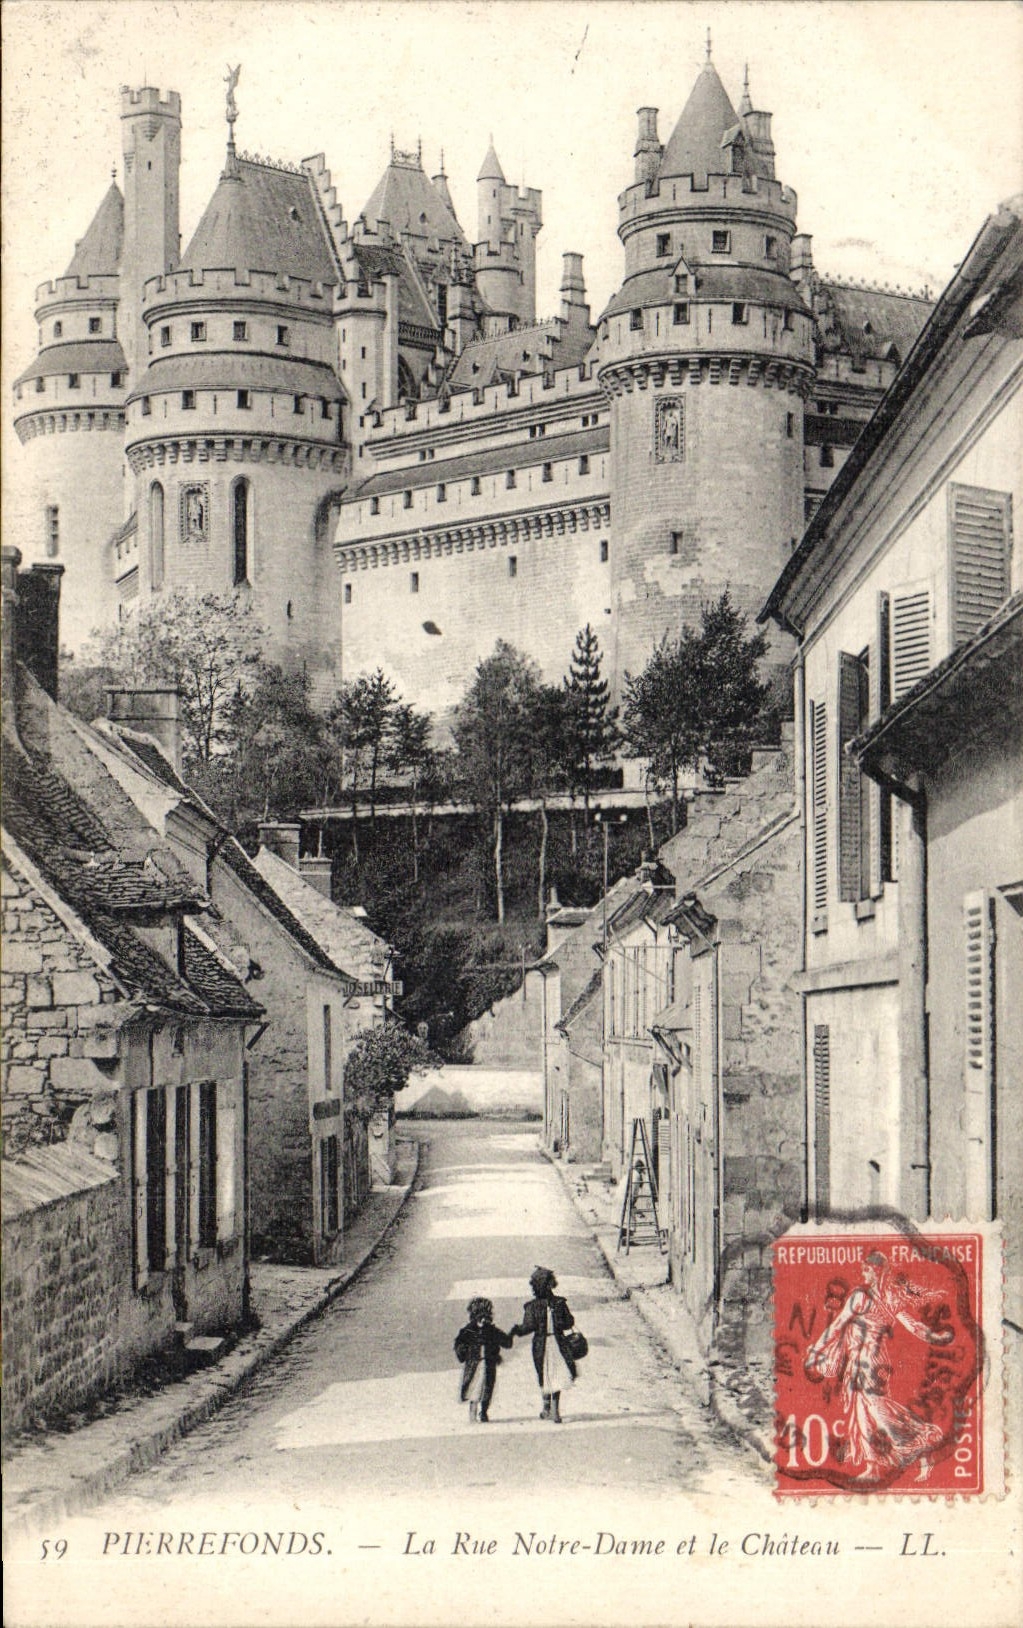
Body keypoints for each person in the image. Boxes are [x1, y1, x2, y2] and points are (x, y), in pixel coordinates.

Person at [804, 1250, 954, 1483]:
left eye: (866, 1269)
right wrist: (818, 1349)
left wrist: (936, 1337)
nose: (862, 1272)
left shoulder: (875, 1297)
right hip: (857, 1360)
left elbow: (911, 1325)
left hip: (874, 1362)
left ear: (875, 1271)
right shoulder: (867, 1296)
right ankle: (872, 1467)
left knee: (877, 1409)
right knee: (861, 1412)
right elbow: (839, 1326)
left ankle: (922, 1441)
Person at [511, 1266, 577, 1423]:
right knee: (557, 1375)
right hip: (558, 1343)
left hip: (541, 1345)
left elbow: (527, 1327)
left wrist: (516, 1331)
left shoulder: (532, 1306)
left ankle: (546, 1407)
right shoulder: (560, 1303)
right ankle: (555, 1410)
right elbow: (569, 1323)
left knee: (544, 1374)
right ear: (552, 1284)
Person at [453, 1297, 512, 1423]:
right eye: (481, 1316)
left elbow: (506, 1342)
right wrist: (464, 1352)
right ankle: (473, 1414)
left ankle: (483, 1412)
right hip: (475, 1364)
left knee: (488, 1388)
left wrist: (508, 1336)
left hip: (488, 1363)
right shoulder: (468, 1330)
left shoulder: (491, 1330)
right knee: (474, 1388)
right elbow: (459, 1344)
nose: (484, 1319)